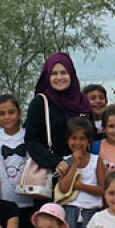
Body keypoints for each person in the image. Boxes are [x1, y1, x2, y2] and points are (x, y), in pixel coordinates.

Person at [25, 53, 94, 196]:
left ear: (71, 74)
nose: (59, 77)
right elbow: (32, 141)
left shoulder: (82, 103)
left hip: (82, 173)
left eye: (64, 72)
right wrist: (55, 162)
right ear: (47, 77)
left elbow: (90, 134)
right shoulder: (40, 103)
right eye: (54, 73)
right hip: (53, 174)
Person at [56, 117, 102, 228]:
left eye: (82, 139)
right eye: (74, 138)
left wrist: (79, 186)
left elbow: (102, 189)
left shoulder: (96, 161)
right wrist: (74, 164)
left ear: (88, 141)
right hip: (70, 209)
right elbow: (64, 188)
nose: (77, 142)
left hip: (91, 210)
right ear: (68, 140)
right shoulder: (65, 162)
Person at [0, 94, 33, 228]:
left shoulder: (27, 134)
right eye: (2, 114)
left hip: (28, 196)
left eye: (11, 112)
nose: (7, 117)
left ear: (19, 112)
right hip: (5, 196)